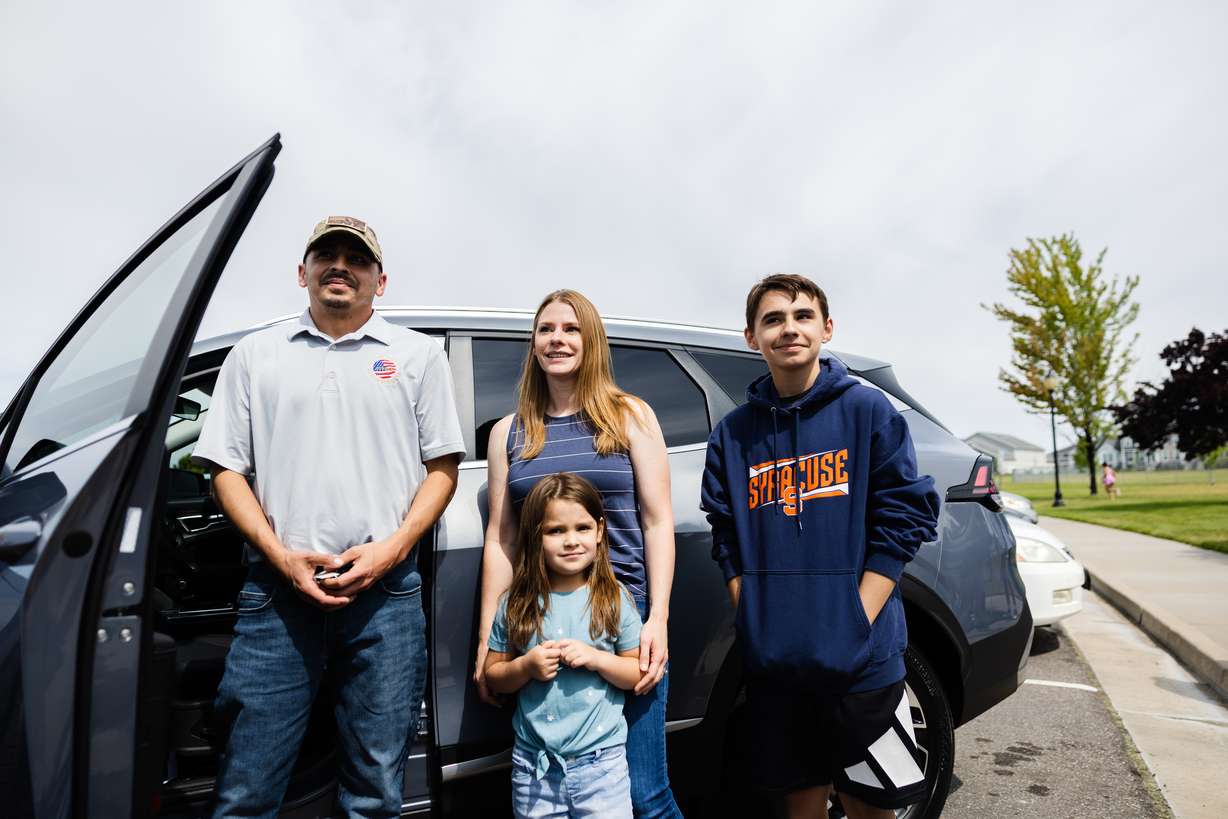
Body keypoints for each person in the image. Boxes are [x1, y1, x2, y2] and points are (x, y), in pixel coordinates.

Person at [192, 216, 466, 818]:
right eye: (326, 254)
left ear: (380, 280)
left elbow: (442, 468)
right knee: (246, 790)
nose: (340, 265)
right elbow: (224, 471)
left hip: (387, 594)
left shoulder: (417, 356)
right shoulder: (254, 354)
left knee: (375, 793)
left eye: (356, 258)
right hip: (277, 593)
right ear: (303, 271)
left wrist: (391, 550)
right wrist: (279, 553)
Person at [701, 274, 940, 819]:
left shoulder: (867, 411)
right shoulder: (733, 435)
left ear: (826, 328)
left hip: (864, 662)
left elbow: (905, 516)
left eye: (802, 316)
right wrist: (753, 615)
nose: (790, 329)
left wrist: (856, 617)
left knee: (870, 805)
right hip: (777, 667)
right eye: (774, 319)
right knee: (800, 805)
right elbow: (725, 534)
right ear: (750, 337)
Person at [475, 289, 683, 817]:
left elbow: (658, 521)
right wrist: (487, 643)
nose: (558, 339)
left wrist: (657, 616)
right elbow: (502, 540)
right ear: (534, 345)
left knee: (644, 792)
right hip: (539, 624)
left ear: (592, 340)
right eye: (546, 329)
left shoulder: (628, 414)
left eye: (571, 329)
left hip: (622, 620)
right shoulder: (509, 433)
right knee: (558, 788)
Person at [485, 472, 645, 818]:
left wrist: (596, 659)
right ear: (535, 536)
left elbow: (637, 673)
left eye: (582, 528)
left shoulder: (612, 598)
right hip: (534, 771)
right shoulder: (516, 603)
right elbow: (493, 675)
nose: (571, 541)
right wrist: (525, 666)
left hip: (601, 767)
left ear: (600, 531)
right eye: (556, 531)